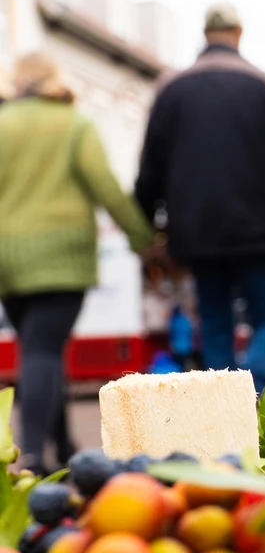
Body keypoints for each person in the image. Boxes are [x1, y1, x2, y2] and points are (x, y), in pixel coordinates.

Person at [135, 3, 265, 393]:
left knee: (214, 322)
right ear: (238, 33)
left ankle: (226, 406)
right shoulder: (264, 87)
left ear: (205, 35)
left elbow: (149, 170)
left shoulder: (171, 90)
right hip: (258, 230)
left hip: (196, 232)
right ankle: (253, 386)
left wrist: (146, 232)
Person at [0, 53, 154, 473]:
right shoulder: (74, 124)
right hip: (61, 256)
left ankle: (63, 444)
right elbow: (104, 184)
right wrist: (143, 237)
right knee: (44, 351)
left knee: (39, 350)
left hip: (7, 257)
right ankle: (32, 454)